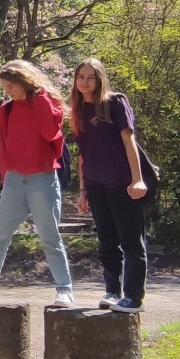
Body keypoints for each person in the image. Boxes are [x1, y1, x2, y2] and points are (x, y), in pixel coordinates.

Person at [0, 60, 74, 306]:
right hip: (14, 180)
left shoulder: (45, 103)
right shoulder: (7, 110)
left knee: (50, 237)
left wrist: (41, 98)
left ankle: (64, 290)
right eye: (5, 87)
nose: (8, 92)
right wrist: (6, 179)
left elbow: (50, 134)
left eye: (11, 86)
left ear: (24, 81)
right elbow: (3, 147)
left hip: (43, 179)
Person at [70, 58, 147, 313]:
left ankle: (133, 298)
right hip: (95, 186)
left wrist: (137, 179)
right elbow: (83, 155)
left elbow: (129, 141)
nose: (85, 82)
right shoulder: (78, 109)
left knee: (132, 243)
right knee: (107, 244)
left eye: (90, 77)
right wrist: (83, 191)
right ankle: (112, 291)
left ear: (100, 79)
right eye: (81, 77)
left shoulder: (115, 102)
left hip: (123, 184)